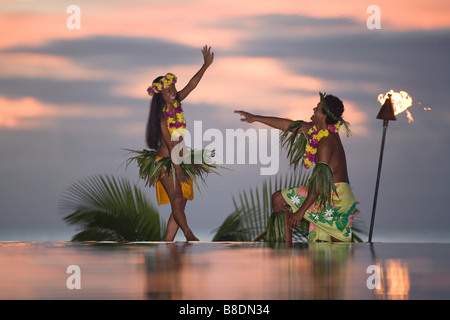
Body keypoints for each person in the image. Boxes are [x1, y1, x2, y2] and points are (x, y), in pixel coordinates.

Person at [234, 93, 356, 243]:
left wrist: (300, 212)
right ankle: (287, 252)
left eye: (317, 108)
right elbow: (289, 125)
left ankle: (285, 253)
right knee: (332, 256)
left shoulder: (326, 143)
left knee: (279, 198)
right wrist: (256, 118)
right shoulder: (318, 131)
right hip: (342, 197)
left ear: (324, 116)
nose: (313, 109)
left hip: (334, 198)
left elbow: (319, 183)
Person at [145, 45, 214, 241]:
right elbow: (170, 146)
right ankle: (190, 235)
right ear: (160, 95)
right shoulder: (161, 118)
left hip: (180, 157)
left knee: (180, 204)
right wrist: (179, 169)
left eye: (173, 87)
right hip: (168, 161)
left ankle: (167, 241)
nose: (173, 91)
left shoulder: (177, 103)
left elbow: (191, 85)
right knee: (176, 199)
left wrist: (205, 65)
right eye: (168, 90)